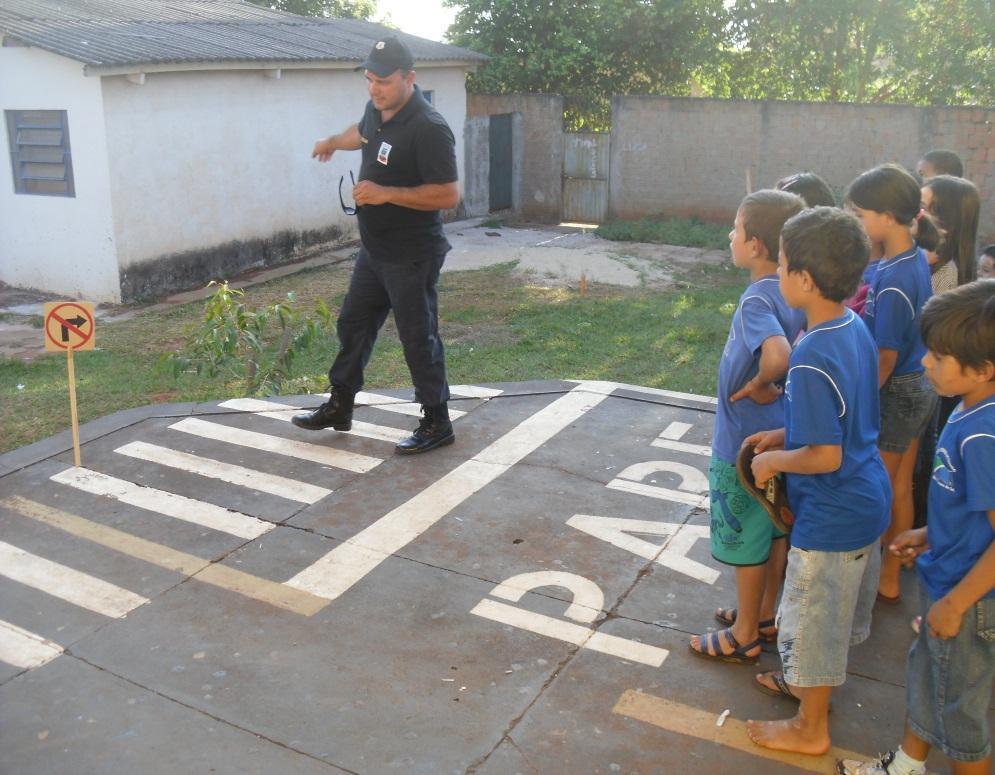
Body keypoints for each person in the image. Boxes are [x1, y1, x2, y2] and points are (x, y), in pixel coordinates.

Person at [744, 207, 891, 755]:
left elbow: (825, 456)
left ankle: (811, 727)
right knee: (826, 623)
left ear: (804, 279)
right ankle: (807, 688)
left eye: (781, 265)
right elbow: (842, 417)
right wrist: (785, 434)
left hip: (833, 514)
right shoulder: (849, 326)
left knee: (812, 626)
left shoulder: (807, 356)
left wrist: (773, 462)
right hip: (866, 496)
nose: (777, 274)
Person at [836, 280, 995, 775]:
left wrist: (957, 602)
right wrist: (929, 534)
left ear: (984, 370)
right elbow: (974, 509)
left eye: (939, 357)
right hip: (949, 581)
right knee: (928, 678)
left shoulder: (985, 435)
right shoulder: (967, 410)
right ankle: (905, 765)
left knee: (959, 717)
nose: (924, 362)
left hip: (968, 598)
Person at [293, 36, 460, 455]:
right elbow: (361, 134)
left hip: (413, 254)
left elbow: (447, 195)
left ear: (409, 78)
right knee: (353, 324)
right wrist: (333, 142)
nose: (374, 88)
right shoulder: (378, 111)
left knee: (417, 337)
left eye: (382, 81)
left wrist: (387, 194)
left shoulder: (429, 127)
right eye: (369, 80)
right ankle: (340, 405)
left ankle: (437, 421)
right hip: (376, 250)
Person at [688, 189, 805, 665]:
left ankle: (743, 635)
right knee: (773, 532)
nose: (730, 237)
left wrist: (760, 383)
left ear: (756, 244)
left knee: (746, 536)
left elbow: (779, 355)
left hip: (743, 448)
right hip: (776, 435)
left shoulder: (757, 298)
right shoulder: (790, 290)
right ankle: (762, 615)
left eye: (736, 230)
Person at [846, 164, 941, 603]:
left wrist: (861, 399)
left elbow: (884, 355)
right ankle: (890, 576)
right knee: (899, 484)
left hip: (897, 389)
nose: (857, 222)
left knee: (880, 487)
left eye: (860, 213)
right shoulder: (909, 257)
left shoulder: (898, 276)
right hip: (916, 383)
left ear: (886, 216)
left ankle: (879, 576)